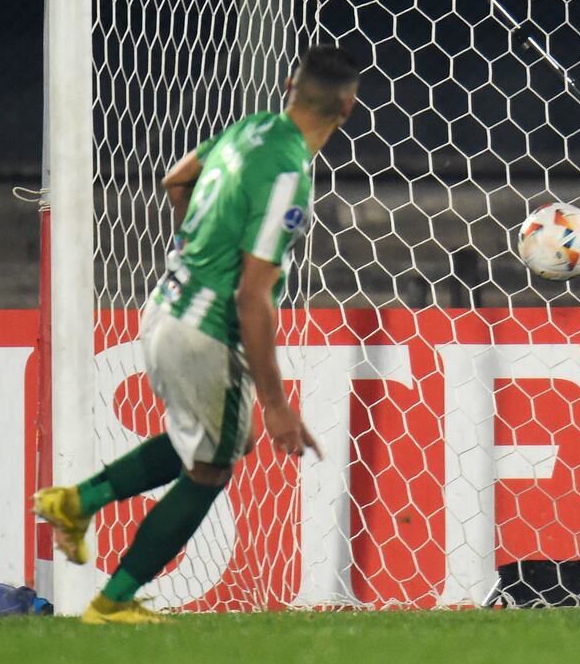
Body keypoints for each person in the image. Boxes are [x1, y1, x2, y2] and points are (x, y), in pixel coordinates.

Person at [33, 45, 361, 623]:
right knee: (211, 468)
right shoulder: (290, 174)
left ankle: (76, 502)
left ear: (289, 85)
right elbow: (253, 298)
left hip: (164, 305)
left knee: (224, 442)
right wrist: (279, 402)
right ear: (348, 105)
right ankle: (111, 602)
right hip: (203, 330)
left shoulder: (250, 129)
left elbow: (176, 178)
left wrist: (199, 244)